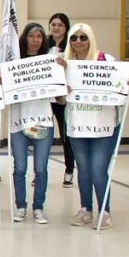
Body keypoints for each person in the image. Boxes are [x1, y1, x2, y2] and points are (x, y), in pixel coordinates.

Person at [56, 23, 129, 230]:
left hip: (103, 124)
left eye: (83, 37)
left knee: (98, 169)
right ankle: (86, 209)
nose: (78, 42)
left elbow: (119, 89)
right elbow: (59, 100)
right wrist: (61, 90)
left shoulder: (106, 60)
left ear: (90, 39)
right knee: (83, 169)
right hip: (77, 124)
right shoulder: (64, 63)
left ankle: (104, 211)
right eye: (74, 38)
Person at [9, 24, 55, 224]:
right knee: (20, 167)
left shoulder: (49, 62)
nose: (36, 39)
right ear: (24, 38)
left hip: (41, 120)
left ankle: (38, 207)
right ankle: (21, 206)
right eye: (31, 36)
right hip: (19, 121)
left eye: (39, 36)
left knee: (40, 168)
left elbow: (58, 93)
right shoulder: (14, 62)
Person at [48, 12, 74, 188]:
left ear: (66, 28)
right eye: (53, 24)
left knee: (66, 136)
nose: (56, 28)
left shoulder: (72, 46)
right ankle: (40, 172)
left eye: (60, 25)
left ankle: (69, 170)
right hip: (45, 97)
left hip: (62, 98)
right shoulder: (43, 44)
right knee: (41, 134)